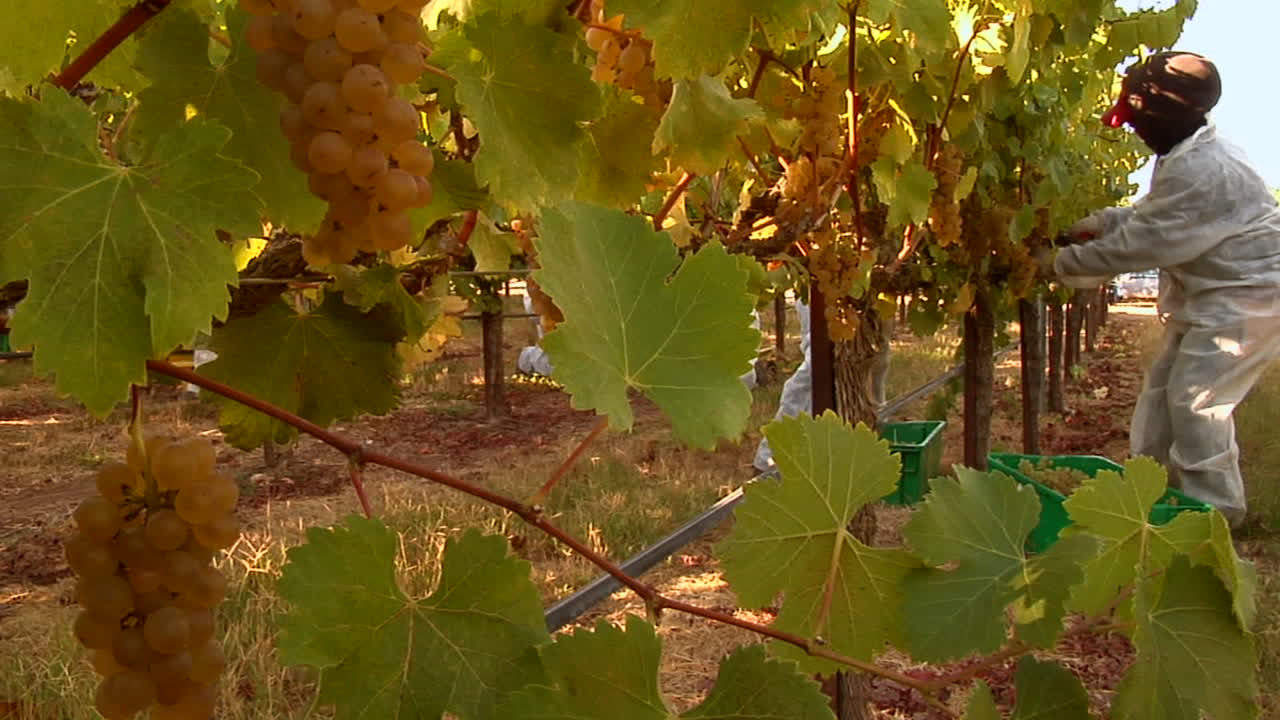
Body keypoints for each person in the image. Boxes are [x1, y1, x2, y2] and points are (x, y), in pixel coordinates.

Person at [1046, 51, 1280, 529]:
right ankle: (1155, 495)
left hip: (1246, 299)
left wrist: (1052, 263)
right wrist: (1103, 221)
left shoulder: (1203, 170)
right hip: (1217, 295)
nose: (1133, 130)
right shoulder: (1189, 154)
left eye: (1136, 121)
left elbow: (1143, 244)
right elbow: (1150, 215)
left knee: (1198, 404)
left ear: (1157, 115)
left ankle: (1212, 519)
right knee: (1162, 395)